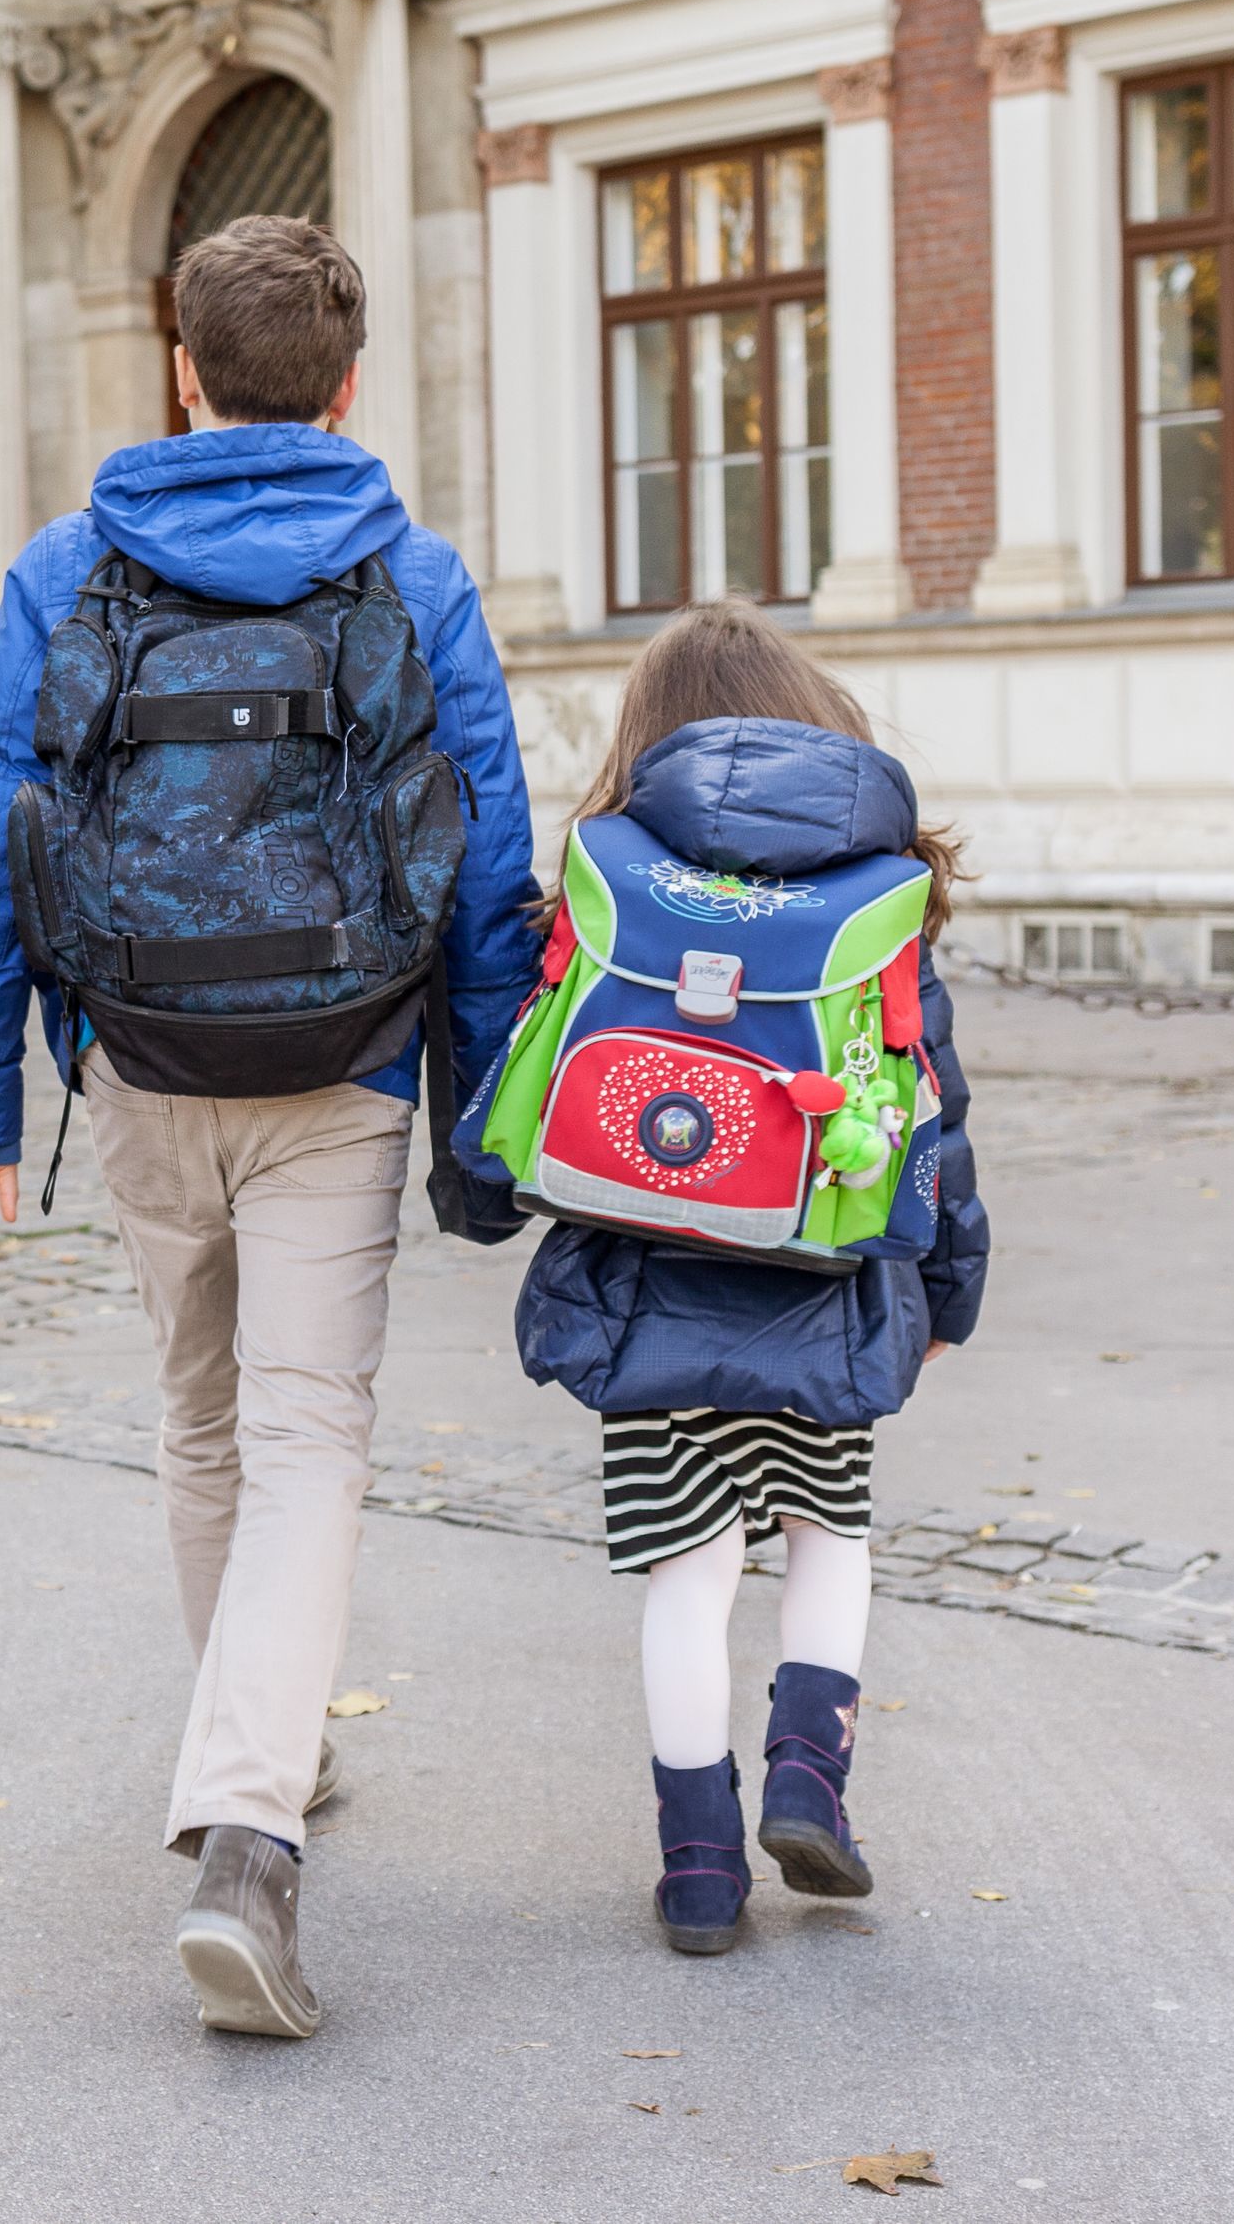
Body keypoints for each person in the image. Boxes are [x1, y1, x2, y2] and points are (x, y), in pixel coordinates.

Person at [0, 213, 539, 2041]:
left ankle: (245, 1751)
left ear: (183, 369)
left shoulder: (64, 567)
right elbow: (486, 861)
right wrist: (486, 1113)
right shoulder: (410, 571)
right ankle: (251, 1827)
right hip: (337, 1065)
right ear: (345, 387)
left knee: (203, 1416)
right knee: (309, 1433)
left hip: (136, 1062)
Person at [461, 603, 987, 1956]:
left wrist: (470, 1190)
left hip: (647, 1286)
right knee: (830, 1537)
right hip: (827, 1282)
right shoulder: (876, 900)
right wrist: (952, 1290)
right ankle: (811, 1775)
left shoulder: (606, 879)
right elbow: (940, 1113)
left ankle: (698, 1868)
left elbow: (523, 1058)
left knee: (687, 1571)